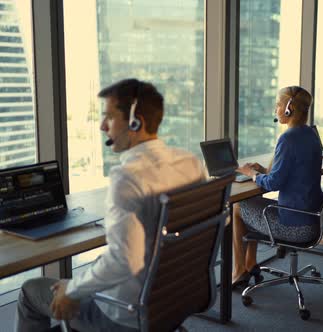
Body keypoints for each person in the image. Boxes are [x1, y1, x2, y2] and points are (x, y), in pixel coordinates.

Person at [14, 79, 207, 331]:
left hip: (128, 314)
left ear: (135, 121)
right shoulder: (189, 162)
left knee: (30, 290)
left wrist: (71, 290)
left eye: (109, 117)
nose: (103, 126)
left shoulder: (127, 178)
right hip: (176, 298)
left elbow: (125, 261)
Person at [231, 86, 323, 287]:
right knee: (252, 202)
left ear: (289, 109)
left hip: (296, 226)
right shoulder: (310, 134)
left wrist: (252, 174)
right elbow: (297, 171)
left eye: (278, 105)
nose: (276, 109)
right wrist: (264, 170)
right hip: (314, 217)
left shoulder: (288, 138)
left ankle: (238, 271)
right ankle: (250, 263)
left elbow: (274, 184)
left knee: (237, 207)